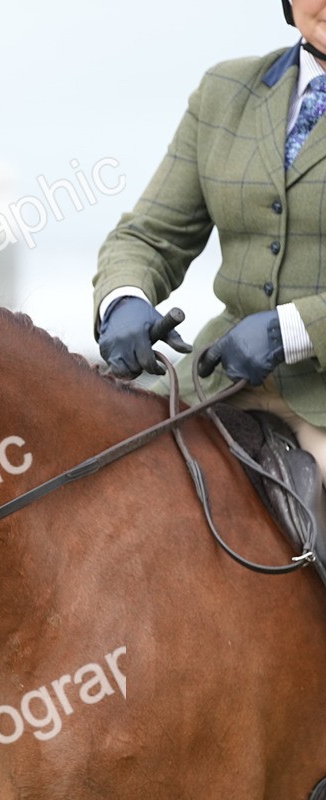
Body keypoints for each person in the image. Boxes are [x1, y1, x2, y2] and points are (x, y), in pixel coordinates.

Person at [94, 0, 326, 479]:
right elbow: (151, 234)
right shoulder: (224, 91)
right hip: (217, 375)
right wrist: (123, 299)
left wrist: (294, 328)